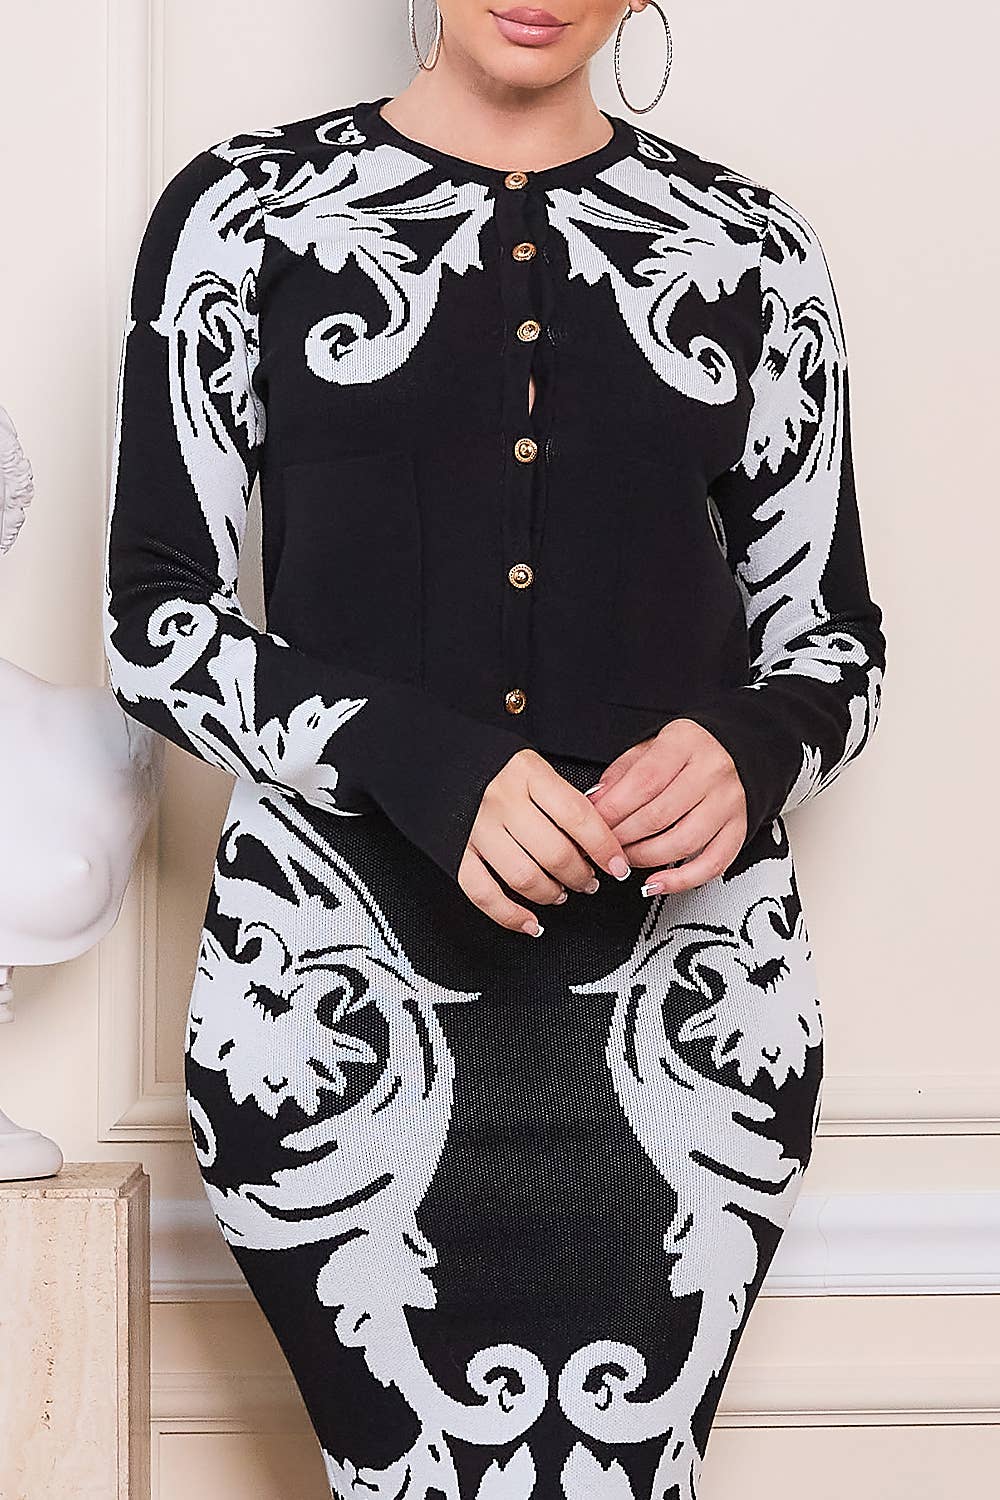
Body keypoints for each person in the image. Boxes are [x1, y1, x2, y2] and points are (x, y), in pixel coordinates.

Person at [102, 3, 886, 1495]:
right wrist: (424, 759)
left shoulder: (751, 250)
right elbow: (156, 625)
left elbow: (834, 643)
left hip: (685, 1017)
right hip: (330, 1005)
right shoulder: (245, 214)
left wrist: (749, 745)